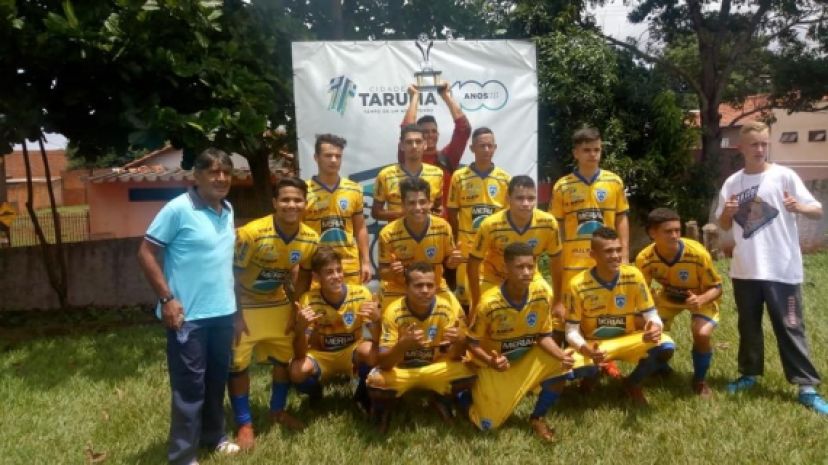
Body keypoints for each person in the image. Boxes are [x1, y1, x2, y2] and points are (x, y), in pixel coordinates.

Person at [715, 120, 827, 414]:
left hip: (782, 270)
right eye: (754, 144)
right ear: (741, 147)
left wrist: (799, 208)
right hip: (745, 271)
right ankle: (749, 375)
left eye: (764, 143)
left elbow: (816, 210)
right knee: (748, 328)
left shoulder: (784, 176)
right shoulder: (733, 183)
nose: (760, 149)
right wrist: (726, 215)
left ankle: (806, 386)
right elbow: (722, 225)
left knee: (790, 327)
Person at [137, 148, 240, 465]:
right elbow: (145, 253)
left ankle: (214, 437)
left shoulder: (228, 208)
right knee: (189, 388)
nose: (220, 178)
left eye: (225, 172)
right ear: (196, 176)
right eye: (213, 171)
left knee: (215, 381)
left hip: (222, 313)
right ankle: (183, 456)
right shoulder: (177, 209)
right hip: (188, 318)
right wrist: (167, 299)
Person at [228, 177, 319, 450]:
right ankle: (244, 423)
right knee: (238, 365)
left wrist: (296, 306)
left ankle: (277, 411)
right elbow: (229, 273)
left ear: (305, 203)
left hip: (277, 302)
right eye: (285, 200)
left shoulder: (310, 238)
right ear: (275, 203)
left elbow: (304, 273)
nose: (292, 205)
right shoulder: (251, 233)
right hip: (243, 302)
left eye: (297, 200)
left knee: (283, 360)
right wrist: (235, 314)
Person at [467, 242, 582, 441]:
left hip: (525, 359)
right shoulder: (488, 303)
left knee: (560, 364)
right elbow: (472, 344)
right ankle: (463, 398)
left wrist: (561, 355)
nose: (527, 272)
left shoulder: (542, 294)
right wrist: (490, 361)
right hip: (495, 366)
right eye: (520, 267)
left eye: (531, 266)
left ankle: (537, 417)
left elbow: (543, 336)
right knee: (487, 426)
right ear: (506, 269)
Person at [564, 227, 675, 406]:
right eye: (608, 251)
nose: (616, 255)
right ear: (593, 254)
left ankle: (631, 383)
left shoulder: (633, 275)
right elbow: (570, 332)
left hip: (627, 339)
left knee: (666, 345)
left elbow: (651, 314)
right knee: (567, 369)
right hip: (595, 345)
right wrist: (586, 349)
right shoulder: (577, 284)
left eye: (618, 250)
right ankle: (591, 377)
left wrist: (654, 327)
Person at [367, 262, 475, 433]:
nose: (425, 290)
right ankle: (386, 409)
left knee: (470, 370)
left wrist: (461, 341)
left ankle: (440, 399)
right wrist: (402, 345)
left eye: (430, 285)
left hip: (434, 368)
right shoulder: (393, 312)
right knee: (376, 381)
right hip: (404, 371)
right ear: (407, 287)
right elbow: (384, 363)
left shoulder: (446, 309)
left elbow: (455, 356)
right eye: (418, 285)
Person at [635, 208, 722, 397]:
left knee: (702, 333)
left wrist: (700, 299)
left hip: (700, 298)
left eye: (677, 230)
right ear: (652, 233)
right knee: (643, 325)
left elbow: (717, 287)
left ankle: (699, 380)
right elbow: (641, 292)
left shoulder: (698, 254)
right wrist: (647, 313)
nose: (675, 235)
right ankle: (659, 366)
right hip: (668, 298)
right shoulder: (644, 258)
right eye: (668, 231)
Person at [549, 127, 630, 326]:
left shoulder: (614, 181)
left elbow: (621, 219)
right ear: (576, 153)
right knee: (570, 316)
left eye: (597, 149)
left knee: (603, 315)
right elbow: (556, 227)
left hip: (606, 258)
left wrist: (625, 254)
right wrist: (557, 256)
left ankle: (601, 356)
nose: (593, 154)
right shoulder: (562, 186)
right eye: (587, 150)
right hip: (573, 262)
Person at [289, 247, 380, 413]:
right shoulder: (308, 300)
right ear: (316, 277)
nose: (337, 276)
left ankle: (360, 394)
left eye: (339, 270)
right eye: (329, 272)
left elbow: (378, 340)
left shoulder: (361, 294)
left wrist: (377, 320)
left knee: (373, 353)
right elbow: (299, 354)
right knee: (296, 371)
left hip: (351, 351)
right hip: (322, 355)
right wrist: (300, 329)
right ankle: (316, 392)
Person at [467, 176, 563, 322]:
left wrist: (558, 301)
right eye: (520, 198)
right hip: (494, 277)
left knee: (553, 311)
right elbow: (473, 264)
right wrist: (475, 301)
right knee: (480, 314)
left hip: (530, 277)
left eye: (531, 198)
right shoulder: (490, 225)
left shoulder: (548, 223)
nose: (526, 204)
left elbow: (556, 262)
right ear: (508, 199)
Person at [447, 127, 511, 310]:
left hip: (493, 250)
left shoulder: (505, 179)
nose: (486, 150)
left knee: (493, 299)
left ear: (495, 148)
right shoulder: (459, 178)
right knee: (465, 299)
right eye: (481, 146)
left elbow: (507, 216)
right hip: (467, 248)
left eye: (490, 146)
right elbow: (452, 212)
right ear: (471, 148)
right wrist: (458, 239)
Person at [377, 177, 463, 310]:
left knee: (458, 321)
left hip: (435, 287)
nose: (418, 208)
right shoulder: (388, 233)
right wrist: (393, 272)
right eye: (411, 203)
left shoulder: (443, 227)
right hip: (400, 289)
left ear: (430, 203)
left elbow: (448, 262)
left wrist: (452, 263)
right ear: (403, 205)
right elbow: (383, 272)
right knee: (389, 320)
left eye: (422, 202)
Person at [304, 134, 373, 284]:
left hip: (348, 264)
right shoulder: (304, 191)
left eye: (338, 156)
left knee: (353, 307)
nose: (334, 160)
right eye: (328, 155)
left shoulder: (354, 189)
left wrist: (366, 261)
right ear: (316, 157)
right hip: (317, 266)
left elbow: (360, 227)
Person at [397, 81, 471, 215]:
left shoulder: (447, 157)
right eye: (425, 132)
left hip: (442, 228)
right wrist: (415, 97)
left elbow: (464, 130)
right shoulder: (406, 155)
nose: (430, 135)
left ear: (438, 134)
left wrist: (446, 96)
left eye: (433, 131)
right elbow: (406, 129)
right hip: (411, 226)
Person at [372, 124, 444, 222]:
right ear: (401, 146)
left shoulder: (437, 174)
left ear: (425, 145)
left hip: (429, 235)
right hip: (398, 235)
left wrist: (436, 211)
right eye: (409, 142)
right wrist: (406, 213)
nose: (414, 146)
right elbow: (376, 213)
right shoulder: (385, 175)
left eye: (418, 142)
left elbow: (438, 206)